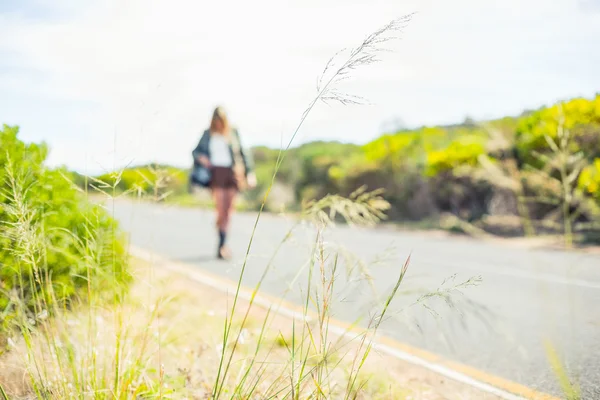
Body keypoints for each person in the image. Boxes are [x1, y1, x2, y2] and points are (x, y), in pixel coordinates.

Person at [192, 106, 256, 260]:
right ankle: (221, 245)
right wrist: (203, 159)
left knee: (228, 211)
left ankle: (223, 244)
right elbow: (195, 152)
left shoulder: (233, 132)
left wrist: (250, 173)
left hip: (233, 173)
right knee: (221, 210)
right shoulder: (207, 134)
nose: (219, 123)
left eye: (221, 120)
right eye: (216, 120)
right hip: (216, 174)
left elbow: (243, 152)